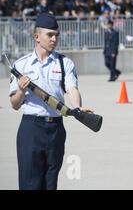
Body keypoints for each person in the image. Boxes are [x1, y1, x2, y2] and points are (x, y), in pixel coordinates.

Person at [9, 12, 90, 190]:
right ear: (37, 37)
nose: (54, 39)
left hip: (56, 129)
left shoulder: (64, 63)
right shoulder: (21, 65)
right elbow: (14, 104)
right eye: (50, 35)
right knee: (29, 183)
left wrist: (77, 108)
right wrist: (22, 90)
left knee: (50, 183)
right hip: (31, 129)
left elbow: (72, 89)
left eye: (57, 35)